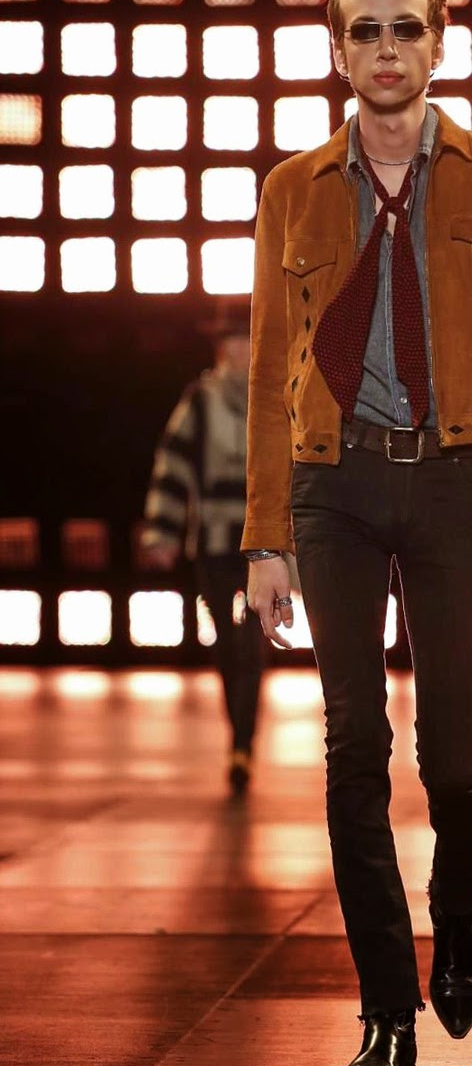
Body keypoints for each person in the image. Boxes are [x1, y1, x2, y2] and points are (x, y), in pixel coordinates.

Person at [243, 0, 472, 1066]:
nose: (386, 50)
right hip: (330, 484)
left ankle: (456, 912)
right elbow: (272, 368)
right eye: (365, 32)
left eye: (406, 30)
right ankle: (385, 1013)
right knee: (352, 748)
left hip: (454, 479)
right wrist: (264, 537)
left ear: (439, 44)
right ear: (336, 52)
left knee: (452, 756)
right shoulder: (291, 188)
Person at [141, 296, 267, 796]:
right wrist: (162, 533)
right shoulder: (200, 400)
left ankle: (242, 745)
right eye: (231, 341)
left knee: (251, 645)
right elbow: (172, 466)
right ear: (221, 348)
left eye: (245, 340)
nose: (239, 349)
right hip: (214, 541)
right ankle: (239, 738)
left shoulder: (277, 396)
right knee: (228, 646)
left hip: (261, 543)